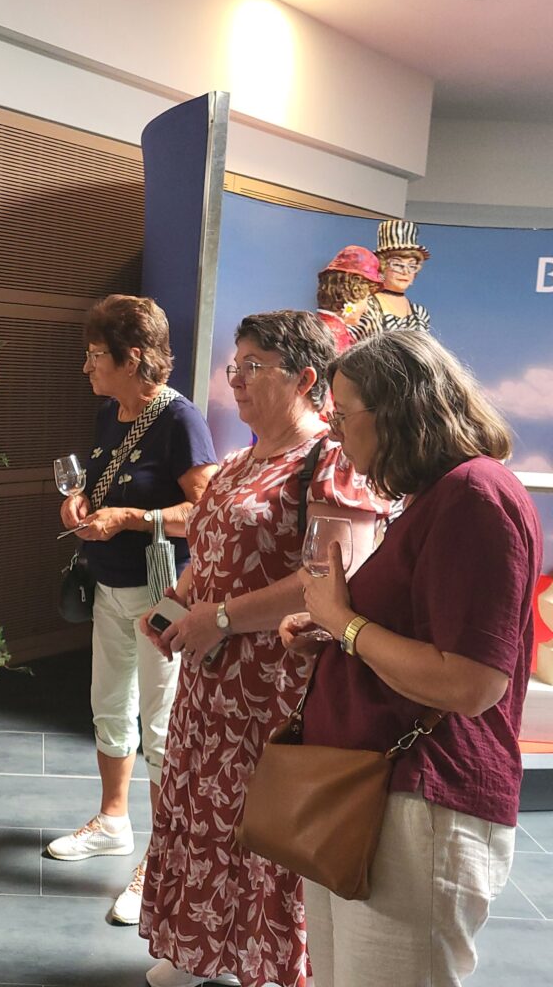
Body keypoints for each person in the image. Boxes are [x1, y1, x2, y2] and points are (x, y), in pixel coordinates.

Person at [281, 330, 541, 987]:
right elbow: (422, 635)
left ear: (398, 411)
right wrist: (336, 632)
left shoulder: (474, 496)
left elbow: (471, 683)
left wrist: (345, 624)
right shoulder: (442, 496)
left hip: (423, 798)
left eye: (344, 414)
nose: (334, 431)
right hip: (376, 794)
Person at [138, 310, 387, 987]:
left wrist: (221, 618)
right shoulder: (238, 461)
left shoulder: (330, 462)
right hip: (210, 682)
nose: (237, 381)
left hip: (274, 689)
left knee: (265, 823)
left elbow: (328, 582)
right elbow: (210, 553)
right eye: (235, 366)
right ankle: (203, 950)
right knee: (204, 813)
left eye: (253, 367)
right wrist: (173, 606)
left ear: (306, 379)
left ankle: (267, 965)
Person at [44, 294, 218, 926]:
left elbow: (206, 512)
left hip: (161, 595)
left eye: (96, 355)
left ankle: (162, 861)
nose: (86, 367)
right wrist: (82, 504)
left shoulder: (181, 420)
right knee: (109, 708)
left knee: (163, 727)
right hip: (109, 586)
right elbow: (103, 484)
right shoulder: (109, 413)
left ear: (133, 357)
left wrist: (132, 518)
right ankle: (113, 822)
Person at [348, 220, 431, 341]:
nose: (405, 271)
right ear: (382, 267)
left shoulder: (420, 313)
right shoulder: (366, 306)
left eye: (412, 266)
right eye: (397, 264)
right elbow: (347, 345)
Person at [314, 245, 383, 352]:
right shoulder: (337, 336)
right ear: (351, 294)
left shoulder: (313, 326)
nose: (366, 309)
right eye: (367, 298)